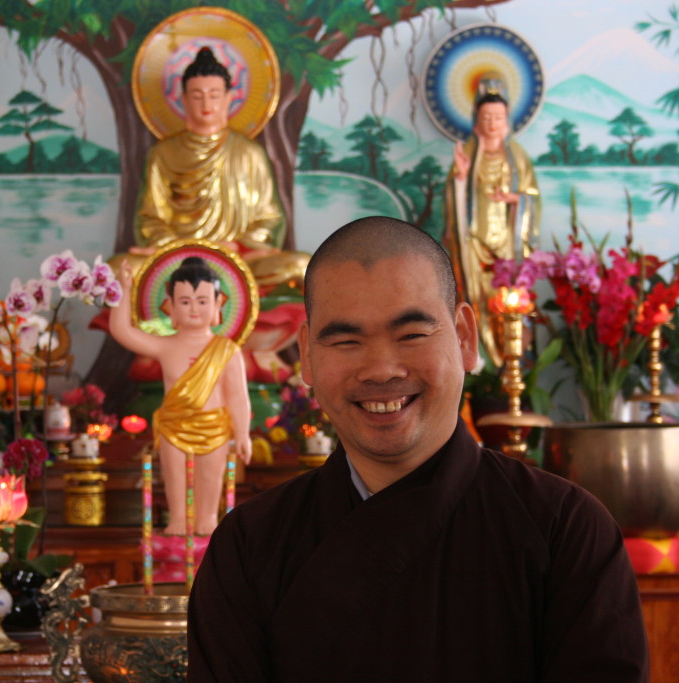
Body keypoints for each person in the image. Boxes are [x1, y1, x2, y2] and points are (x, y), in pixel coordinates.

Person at [188, 216, 648, 682]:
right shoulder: (248, 545)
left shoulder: (564, 530)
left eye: (411, 335)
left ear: (465, 337)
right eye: (346, 340)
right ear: (306, 356)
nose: (381, 369)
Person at [126, 47, 308, 289]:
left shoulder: (249, 153)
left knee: (302, 266)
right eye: (197, 95)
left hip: (239, 259)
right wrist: (183, 248)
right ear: (183, 99)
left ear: (229, 97)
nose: (206, 103)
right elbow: (150, 218)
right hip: (178, 260)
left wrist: (235, 246)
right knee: (121, 269)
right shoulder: (162, 154)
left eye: (214, 94)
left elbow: (269, 218)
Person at [110, 256, 252, 536]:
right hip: (173, 426)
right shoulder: (166, 347)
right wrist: (124, 290)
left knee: (210, 485)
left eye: (202, 301)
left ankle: (208, 523)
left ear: (217, 304)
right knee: (175, 482)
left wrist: (243, 433)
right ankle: (177, 521)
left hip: (214, 428)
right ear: (170, 307)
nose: (194, 309)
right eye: (185, 302)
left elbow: (237, 396)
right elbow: (122, 330)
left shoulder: (227, 351)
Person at [443, 82, 540, 367]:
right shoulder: (468, 156)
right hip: (472, 244)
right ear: (476, 122)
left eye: (498, 118)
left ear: (507, 122)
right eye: (486, 118)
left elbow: (532, 197)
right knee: (473, 302)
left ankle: (510, 366)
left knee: (508, 304)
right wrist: (460, 179)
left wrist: (514, 198)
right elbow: (452, 200)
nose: (492, 124)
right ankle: (479, 365)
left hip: (507, 247)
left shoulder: (518, 159)